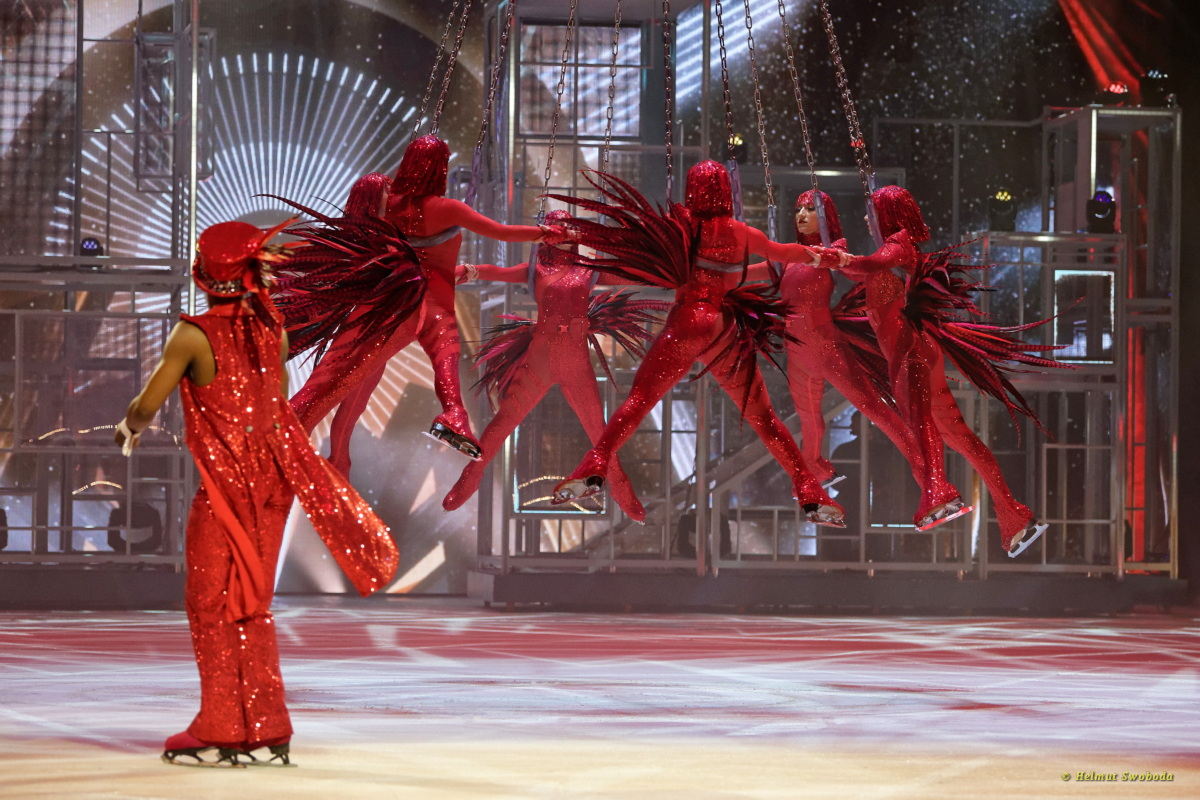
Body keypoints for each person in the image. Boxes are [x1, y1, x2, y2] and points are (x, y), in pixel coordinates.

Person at [115, 220, 399, 766]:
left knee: (210, 603)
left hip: (227, 489)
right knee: (250, 605)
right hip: (272, 485)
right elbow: (275, 408)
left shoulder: (192, 335)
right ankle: (266, 725)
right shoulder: (274, 330)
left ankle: (222, 726)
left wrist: (128, 426)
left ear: (204, 274)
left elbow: (147, 407)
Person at [549, 163, 851, 527]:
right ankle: (808, 489)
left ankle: (596, 462)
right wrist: (827, 256)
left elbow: (639, 262)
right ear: (725, 191)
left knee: (639, 400)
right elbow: (785, 252)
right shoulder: (741, 232)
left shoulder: (681, 229)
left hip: (688, 321)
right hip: (724, 326)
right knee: (764, 419)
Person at [285, 135, 569, 466]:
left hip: (392, 297)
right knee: (439, 356)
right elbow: (501, 232)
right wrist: (548, 234)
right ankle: (451, 415)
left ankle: (315, 445)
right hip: (428, 300)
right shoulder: (447, 208)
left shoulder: (388, 201)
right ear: (439, 169)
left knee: (341, 381)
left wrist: (466, 270)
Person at [842, 185, 1053, 555]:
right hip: (916, 349)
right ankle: (1014, 515)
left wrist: (831, 258)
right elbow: (859, 271)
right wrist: (833, 253)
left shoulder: (897, 245)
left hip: (910, 352)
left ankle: (939, 493)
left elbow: (866, 266)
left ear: (887, 215)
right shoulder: (888, 254)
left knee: (923, 424)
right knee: (958, 435)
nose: (864, 218)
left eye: (870, 211)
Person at [443, 210, 668, 521]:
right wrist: (467, 270)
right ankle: (470, 476)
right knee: (504, 421)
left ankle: (622, 490)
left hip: (575, 359)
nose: (561, 232)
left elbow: (628, 275)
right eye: (555, 226)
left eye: (566, 227)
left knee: (599, 431)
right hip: (542, 356)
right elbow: (496, 271)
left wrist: (661, 271)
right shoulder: (536, 269)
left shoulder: (588, 268)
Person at [744, 190, 925, 493]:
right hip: (797, 352)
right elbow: (745, 274)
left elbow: (855, 269)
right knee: (809, 421)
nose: (801, 215)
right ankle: (815, 474)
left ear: (825, 216)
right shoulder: (787, 259)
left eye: (809, 209)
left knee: (873, 408)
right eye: (798, 209)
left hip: (827, 348)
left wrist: (839, 260)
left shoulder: (834, 250)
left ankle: (926, 470)